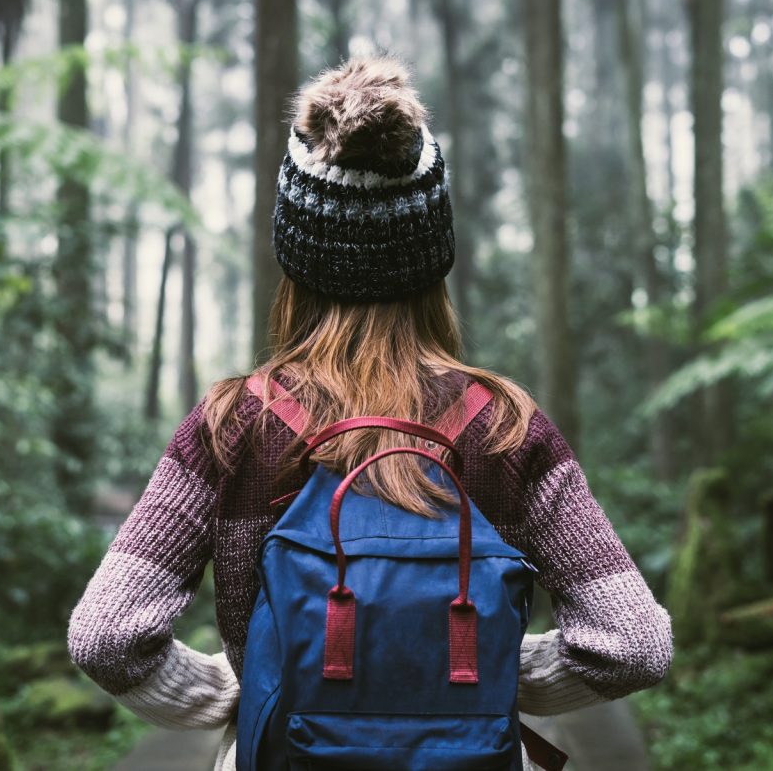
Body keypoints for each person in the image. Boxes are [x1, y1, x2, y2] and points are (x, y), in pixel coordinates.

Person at [67, 55, 673, 770]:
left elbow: (105, 635)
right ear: (432, 258)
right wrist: (484, 671)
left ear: (294, 256)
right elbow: (634, 642)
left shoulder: (234, 424)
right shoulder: (505, 425)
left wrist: (252, 684)